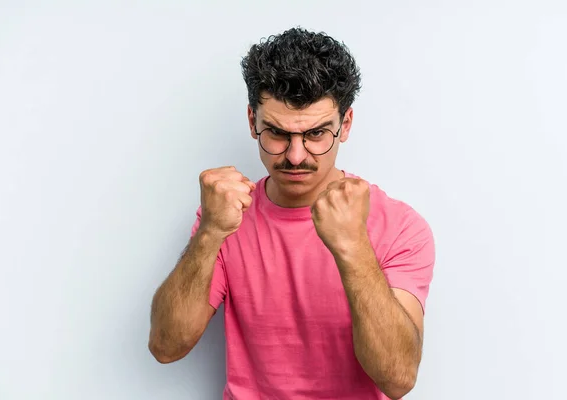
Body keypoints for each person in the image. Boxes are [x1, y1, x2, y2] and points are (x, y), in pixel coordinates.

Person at [148, 27, 435, 400]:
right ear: (252, 121)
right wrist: (210, 233)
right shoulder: (227, 216)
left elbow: (397, 379)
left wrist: (353, 247)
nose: (296, 156)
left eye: (316, 134)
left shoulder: (400, 226)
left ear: (344, 125)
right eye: (277, 133)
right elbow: (166, 346)